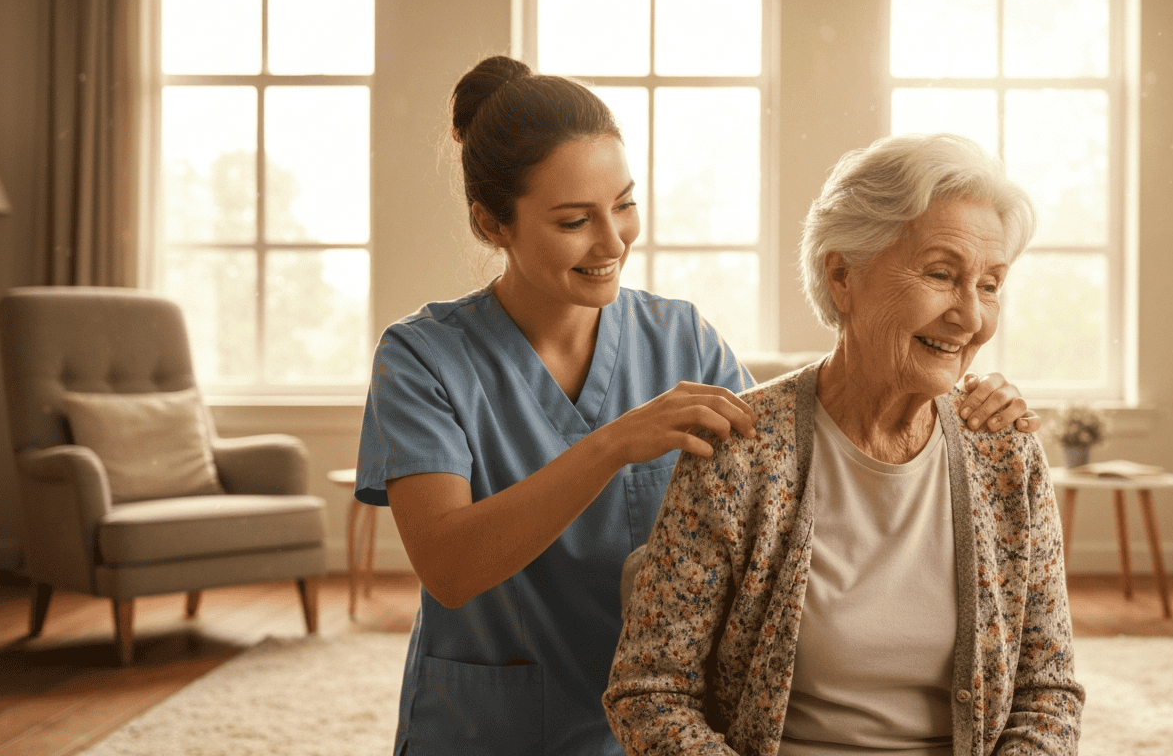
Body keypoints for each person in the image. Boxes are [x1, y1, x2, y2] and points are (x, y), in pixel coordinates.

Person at [356, 56, 1042, 755]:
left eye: (624, 205)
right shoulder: (423, 357)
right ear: (491, 223)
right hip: (487, 729)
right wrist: (611, 445)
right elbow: (449, 567)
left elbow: (790, 478)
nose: (613, 240)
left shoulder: (681, 337)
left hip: (656, 730)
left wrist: (958, 400)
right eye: (574, 220)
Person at [604, 133, 1084, 755]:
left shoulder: (1005, 453)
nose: (970, 316)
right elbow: (650, 691)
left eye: (990, 285)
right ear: (842, 277)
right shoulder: (742, 450)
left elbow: (1048, 693)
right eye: (941, 275)